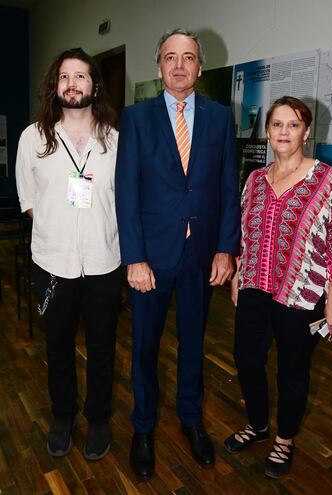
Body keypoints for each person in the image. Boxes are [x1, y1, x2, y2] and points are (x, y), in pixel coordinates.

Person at [115, 28, 240, 478]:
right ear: (160, 66)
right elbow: (125, 191)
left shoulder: (220, 118)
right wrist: (134, 257)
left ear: (200, 67)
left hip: (202, 257)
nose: (180, 65)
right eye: (171, 57)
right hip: (150, 257)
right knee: (145, 347)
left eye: (189, 57)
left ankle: (191, 420)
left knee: (193, 344)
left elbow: (229, 189)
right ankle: (143, 427)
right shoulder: (136, 118)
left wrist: (227, 249)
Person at [224, 96, 332, 478]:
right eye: (277, 124)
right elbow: (245, 236)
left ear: (306, 131)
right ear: (268, 131)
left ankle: (284, 438)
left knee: (293, 372)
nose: (284, 132)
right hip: (253, 288)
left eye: (293, 124)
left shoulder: (326, 180)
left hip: (301, 296)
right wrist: (237, 275)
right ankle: (258, 424)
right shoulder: (254, 179)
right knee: (247, 360)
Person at [16, 48, 122, 461]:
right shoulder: (32, 138)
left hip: (104, 262)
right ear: (54, 85)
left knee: (102, 346)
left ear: (94, 85)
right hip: (53, 264)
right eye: (65, 77)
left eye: (81, 76)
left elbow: (124, 199)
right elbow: (28, 199)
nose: (72, 84)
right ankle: (63, 416)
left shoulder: (115, 138)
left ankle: (98, 418)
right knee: (57, 347)